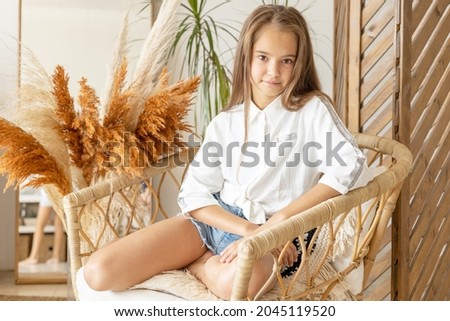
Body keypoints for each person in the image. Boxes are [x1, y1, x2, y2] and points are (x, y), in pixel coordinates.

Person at [83, 4, 374, 300]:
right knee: (98, 272)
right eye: (263, 57)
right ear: (246, 58)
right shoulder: (226, 122)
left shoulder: (312, 109)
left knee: (238, 285)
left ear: (300, 63)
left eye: (287, 60)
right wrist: (248, 229)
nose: (274, 71)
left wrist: (277, 224)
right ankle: (203, 257)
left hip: (277, 237)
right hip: (217, 222)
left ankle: (199, 266)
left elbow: (351, 164)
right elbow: (194, 195)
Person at [19, 189, 65, 265]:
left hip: (49, 190)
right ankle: (56, 257)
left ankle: (33, 257)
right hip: (61, 190)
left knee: (40, 225)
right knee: (59, 224)